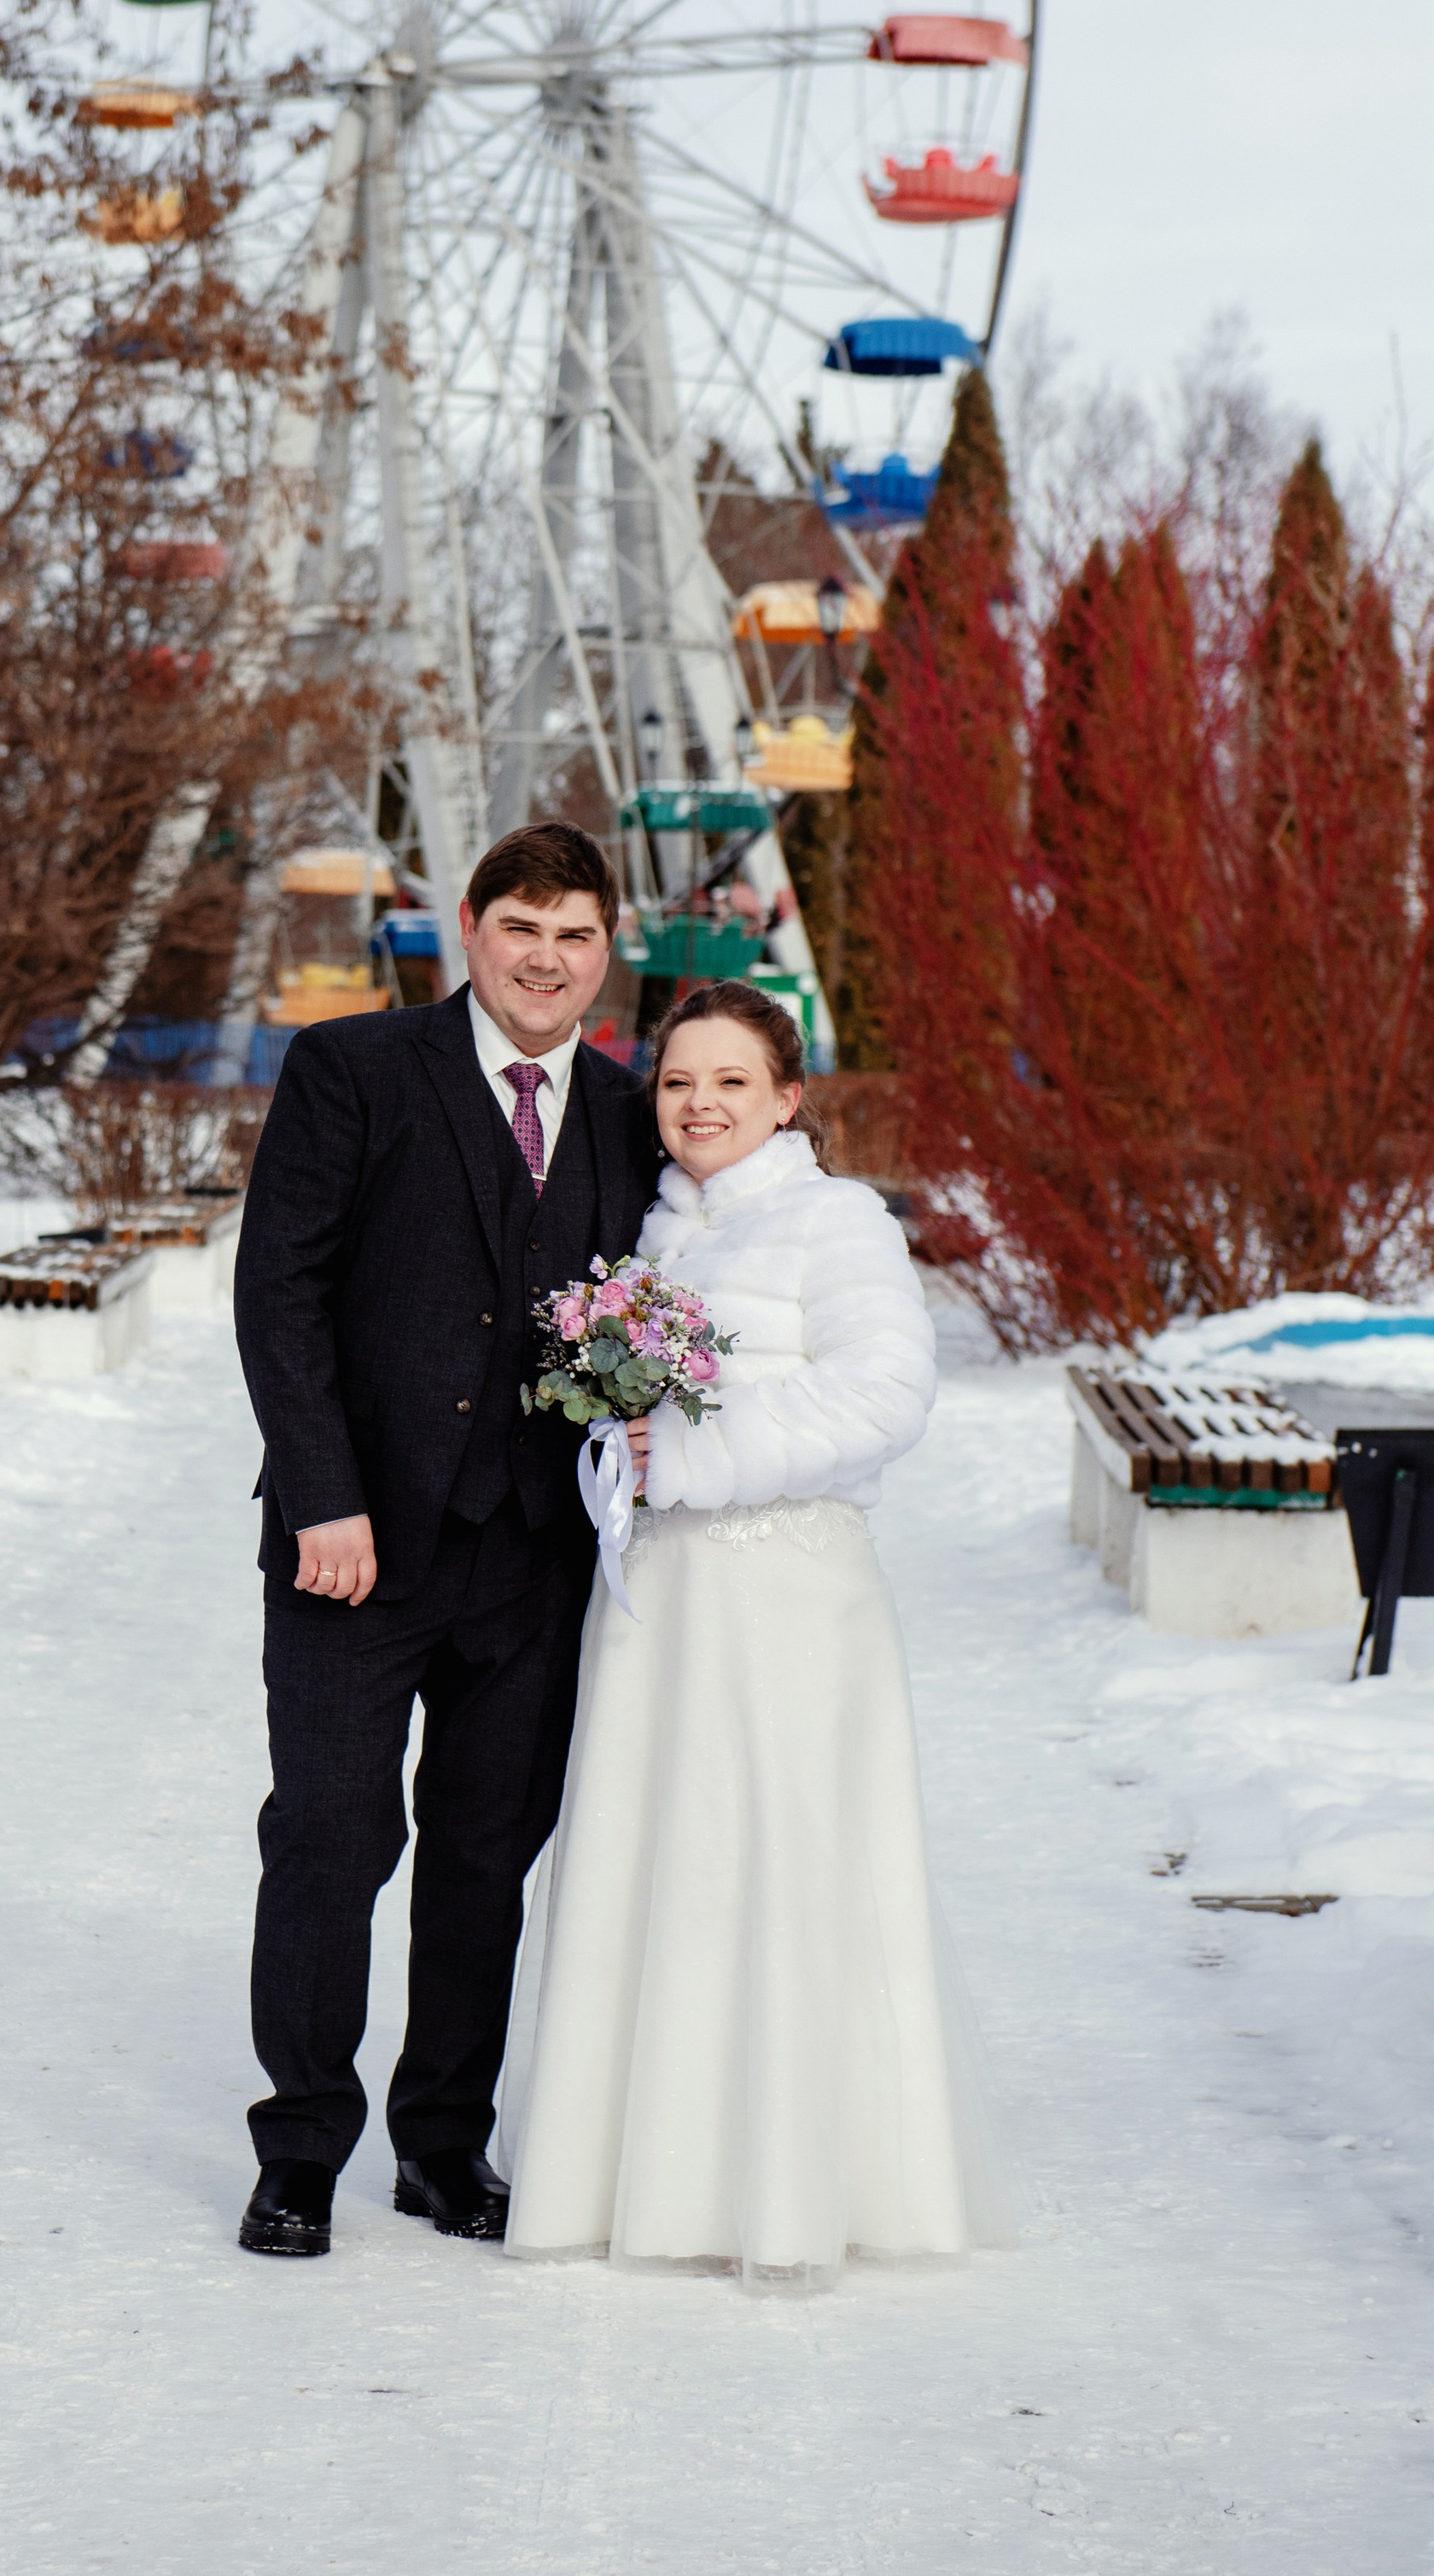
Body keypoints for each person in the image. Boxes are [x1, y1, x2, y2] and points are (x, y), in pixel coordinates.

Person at [499, 977, 1015, 2286]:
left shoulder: (834, 1221)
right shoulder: (654, 1238)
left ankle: (792, 2191)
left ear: (789, 1098)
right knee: (664, 1863)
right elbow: (632, 1417)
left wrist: (694, 1456)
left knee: (782, 1864)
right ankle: (656, 2180)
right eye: (677, 1082)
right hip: (664, 1602)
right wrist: (620, 1455)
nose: (700, 1104)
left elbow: (889, 1389)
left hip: (790, 1596)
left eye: (731, 1081)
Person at [231, 821, 663, 2259]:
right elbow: (279, 1293)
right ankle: (299, 2149)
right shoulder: (351, 1072)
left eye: (578, 937)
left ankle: (441, 2149)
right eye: (522, 930)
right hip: (356, 1547)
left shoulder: (622, 1112)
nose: (548, 961)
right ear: (468, 929)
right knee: (331, 1841)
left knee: (488, 1858)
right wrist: (321, 1497)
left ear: (608, 953)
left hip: (534, 1558)